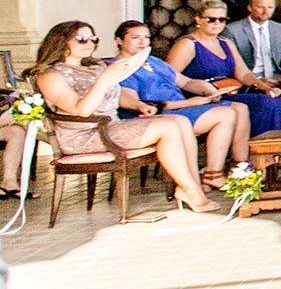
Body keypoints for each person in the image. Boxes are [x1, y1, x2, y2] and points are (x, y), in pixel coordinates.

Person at [27, 21, 217, 212]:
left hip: (111, 126)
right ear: (61, 41)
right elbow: (81, 110)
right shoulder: (50, 75)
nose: (90, 43)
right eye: (82, 39)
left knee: (181, 121)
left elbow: (117, 96)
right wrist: (104, 78)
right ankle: (189, 190)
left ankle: (192, 187)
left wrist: (139, 105)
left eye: (93, 39)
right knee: (169, 128)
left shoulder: (95, 66)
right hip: (85, 134)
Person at [112, 21, 249, 187]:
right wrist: (189, 102)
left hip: (181, 107)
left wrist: (208, 90)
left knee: (240, 108)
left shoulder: (153, 61)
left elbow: (185, 82)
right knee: (225, 114)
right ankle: (213, 173)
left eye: (146, 37)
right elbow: (138, 104)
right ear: (119, 40)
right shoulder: (119, 68)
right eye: (135, 37)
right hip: (158, 115)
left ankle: (240, 168)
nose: (142, 42)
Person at [166, 0, 281, 136]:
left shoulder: (225, 42)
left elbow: (243, 73)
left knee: (277, 98)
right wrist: (198, 89)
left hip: (230, 91)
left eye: (222, 20)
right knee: (264, 103)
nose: (217, 23)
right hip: (206, 96)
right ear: (198, 19)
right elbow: (168, 75)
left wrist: (266, 88)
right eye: (211, 19)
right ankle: (260, 148)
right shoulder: (188, 44)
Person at [222, 0, 281, 116]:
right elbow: (231, 62)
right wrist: (258, 80)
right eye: (260, 7)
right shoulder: (233, 30)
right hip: (249, 81)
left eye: (270, 7)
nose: (266, 11)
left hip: (277, 79)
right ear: (250, 8)